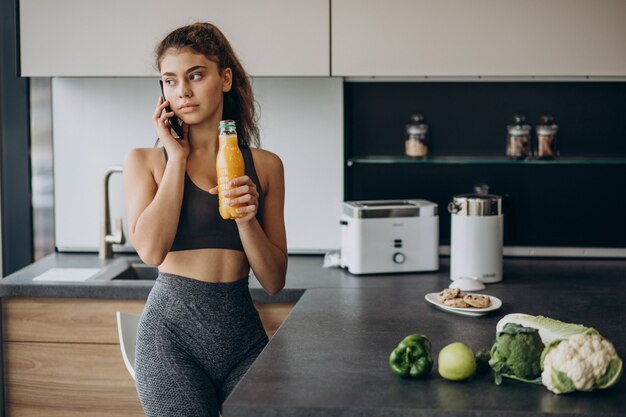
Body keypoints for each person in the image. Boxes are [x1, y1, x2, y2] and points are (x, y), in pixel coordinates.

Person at [123, 22, 287, 417]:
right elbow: (150, 250)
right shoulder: (146, 161)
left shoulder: (265, 167)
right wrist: (175, 157)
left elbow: (274, 281)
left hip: (243, 337)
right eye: (170, 81)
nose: (182, 91)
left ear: (225, 78)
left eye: (195, 75)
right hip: (169, 338)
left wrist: (246, 218)